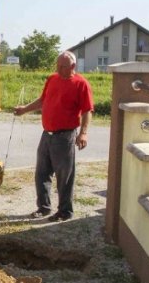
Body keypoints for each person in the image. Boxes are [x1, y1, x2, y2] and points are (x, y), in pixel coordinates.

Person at [13, 51, 94, 222]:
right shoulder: (52, 79)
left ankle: (65, 211)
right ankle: (44, 208)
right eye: (57, 65)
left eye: (63, 66)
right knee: (41, 173)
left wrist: (83, 133)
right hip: (47, 134)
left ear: (73, 66)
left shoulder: (81, 84)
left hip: (65, 137)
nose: (59, 69)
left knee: (64, 176)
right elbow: (43, 100)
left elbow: (87, 111)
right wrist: (24, 110)